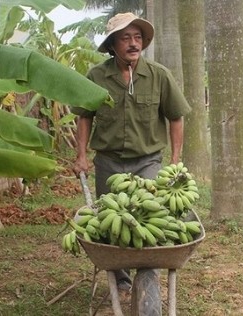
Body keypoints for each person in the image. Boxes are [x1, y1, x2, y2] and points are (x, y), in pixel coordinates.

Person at [72, 12, 191, 291]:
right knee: (111, 222)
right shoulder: (97, 76)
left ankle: (147, 271)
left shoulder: (159, 75)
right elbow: (85, 116)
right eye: (126, 38)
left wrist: (175, 161)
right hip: (108, 162)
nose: (133, 43)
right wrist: (80, 156)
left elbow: (176, 117)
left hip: (147, 162)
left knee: (147, 216)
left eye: (138, 38)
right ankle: (122, 279)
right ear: (113, 44)